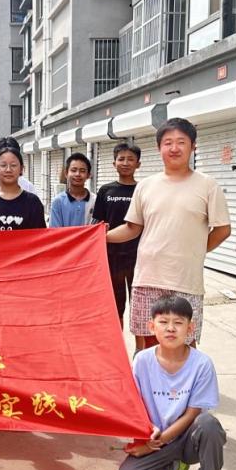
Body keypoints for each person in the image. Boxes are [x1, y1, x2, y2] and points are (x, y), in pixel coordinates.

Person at [107, 118, 231, 350]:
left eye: (181, 142)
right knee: (146, 344)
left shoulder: (207, 185)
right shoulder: (145, 186)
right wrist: (100, 237)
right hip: (147, 278)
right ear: (159, 148)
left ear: (193, 147)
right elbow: (132, 228)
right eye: (168, 143)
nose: (174, 148)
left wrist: (195, 250)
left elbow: (223, 229)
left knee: (184, 345)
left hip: (185, 281)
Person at [114, 295, 232, 470]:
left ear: (190, 328)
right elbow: (134, 404)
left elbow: (192, 413)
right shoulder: (142, 361)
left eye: (178, 323)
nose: (170, 328)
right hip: (156, 439)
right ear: (151, 327)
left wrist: (153, 445)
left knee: (209, 424)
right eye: (163, 322)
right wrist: (147, 433)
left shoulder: (202, 364)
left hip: (187, 438)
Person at [93, 142, 141, 332]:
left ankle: (141, 346)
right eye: (121, 159)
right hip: (111, 257)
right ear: (114, 163)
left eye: (131, 159)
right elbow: (97, 224)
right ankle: (118, 343)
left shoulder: (143, 190)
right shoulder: (106, 190)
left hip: (139, 257)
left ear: (138, 164)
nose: (125, 163)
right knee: (115, 306)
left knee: (140, 307)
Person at [0, 146, 46, 230]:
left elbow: (40, 235)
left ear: (21, 169)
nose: (8, 170)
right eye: (3, 165)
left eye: (13, 165)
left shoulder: (33, 202)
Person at [49, 153, 95, 227]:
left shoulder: (95, 201)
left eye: (82, 171)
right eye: (73, 170)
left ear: (88, 175)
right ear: (66, 173)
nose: (77, 174)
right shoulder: (58, 201)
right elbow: (54, 231)